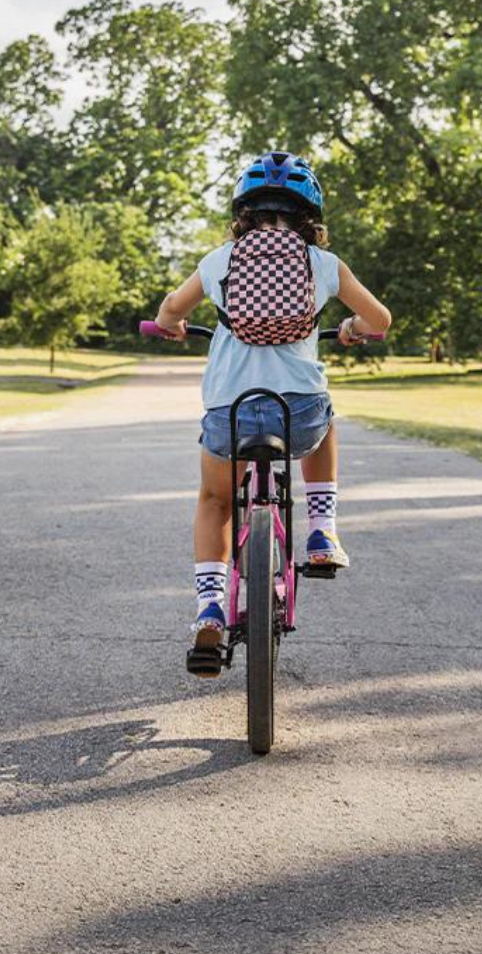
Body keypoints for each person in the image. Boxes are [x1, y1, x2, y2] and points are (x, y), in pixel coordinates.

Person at [152, 151, 391, 671]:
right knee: (325, 420)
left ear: (243, 212)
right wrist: (352, 329)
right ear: (309, 215)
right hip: (297, 413)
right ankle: (322, 530)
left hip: (230, 412)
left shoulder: (219, 261)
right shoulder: (323, 264)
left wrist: (171, 325)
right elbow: (380, 319)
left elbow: (169, 310)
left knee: (216, 499)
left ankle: (210, 607)